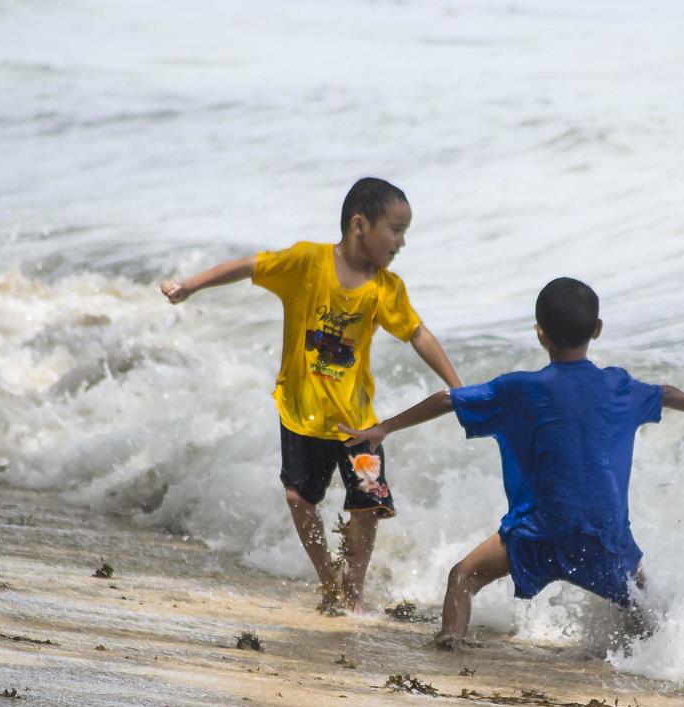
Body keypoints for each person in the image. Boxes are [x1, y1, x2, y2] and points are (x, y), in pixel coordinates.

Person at [339, 276, 684, 648]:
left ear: (540, 333)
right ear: (597, 331)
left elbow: (448, 399)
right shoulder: (619, 386)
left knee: (462, 579)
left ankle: (452, 652)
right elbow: (666, 392)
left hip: (536, 533)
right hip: (604, 537)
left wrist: (383, 429)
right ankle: (672, 661)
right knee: (643, 604)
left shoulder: (519, 388)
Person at [161, 178, 462, 613]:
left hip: (358, 425)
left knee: (367, 504)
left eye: (404, 233)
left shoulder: (386, 289)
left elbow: (418, 334)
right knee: (299, 499)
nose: (400, 242)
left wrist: (457, 384)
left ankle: (353, 591)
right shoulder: (306, 262)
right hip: (300, 413)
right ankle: (329, 580)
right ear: (360, 224)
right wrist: (190, 286)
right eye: (395, 230)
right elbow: (248, 265)